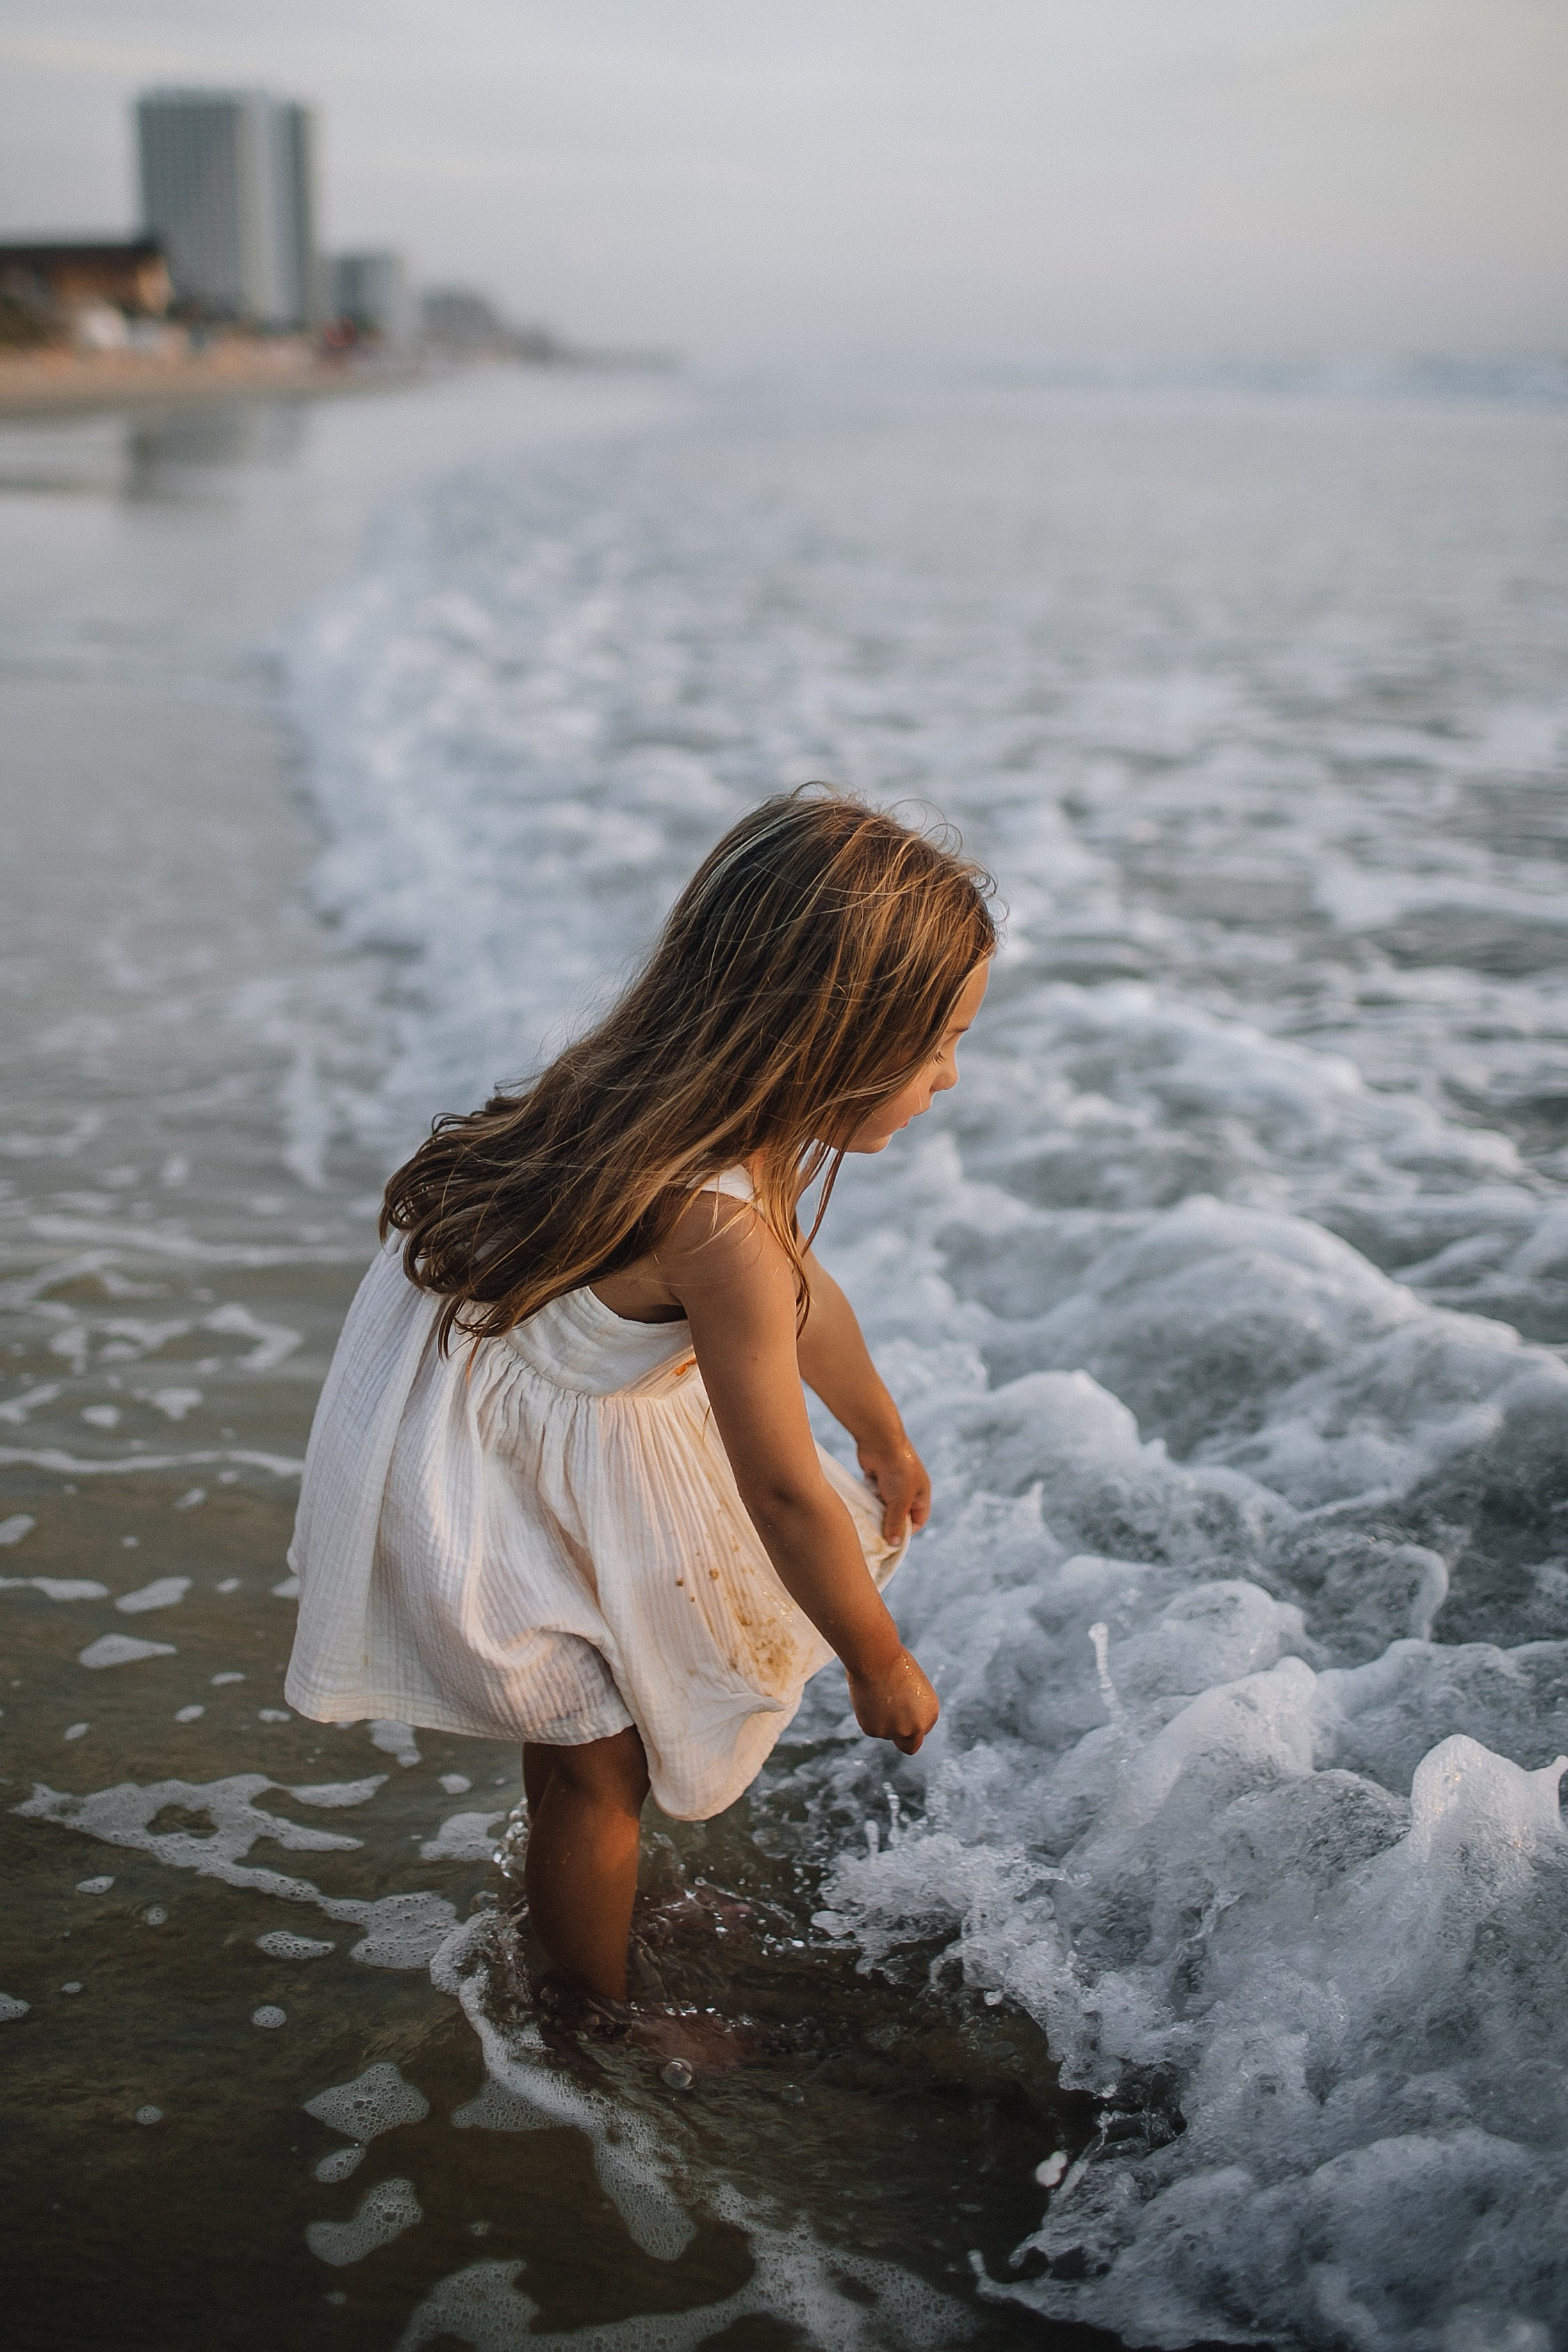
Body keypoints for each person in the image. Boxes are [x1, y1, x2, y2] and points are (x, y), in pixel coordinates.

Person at [285, 787, 995, 2013]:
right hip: (488, 1480)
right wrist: (877, 1659)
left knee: (581, 1745)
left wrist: (878, 1427)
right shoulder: (713, 1219)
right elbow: (776, 1487)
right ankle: (588, 2020)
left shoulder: (665, 1097)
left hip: (509, 1423)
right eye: (936, 1045)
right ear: (833, 1040)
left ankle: (578, 1906)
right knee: (603, 1762)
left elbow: (803, 1295)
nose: (949, 1078)